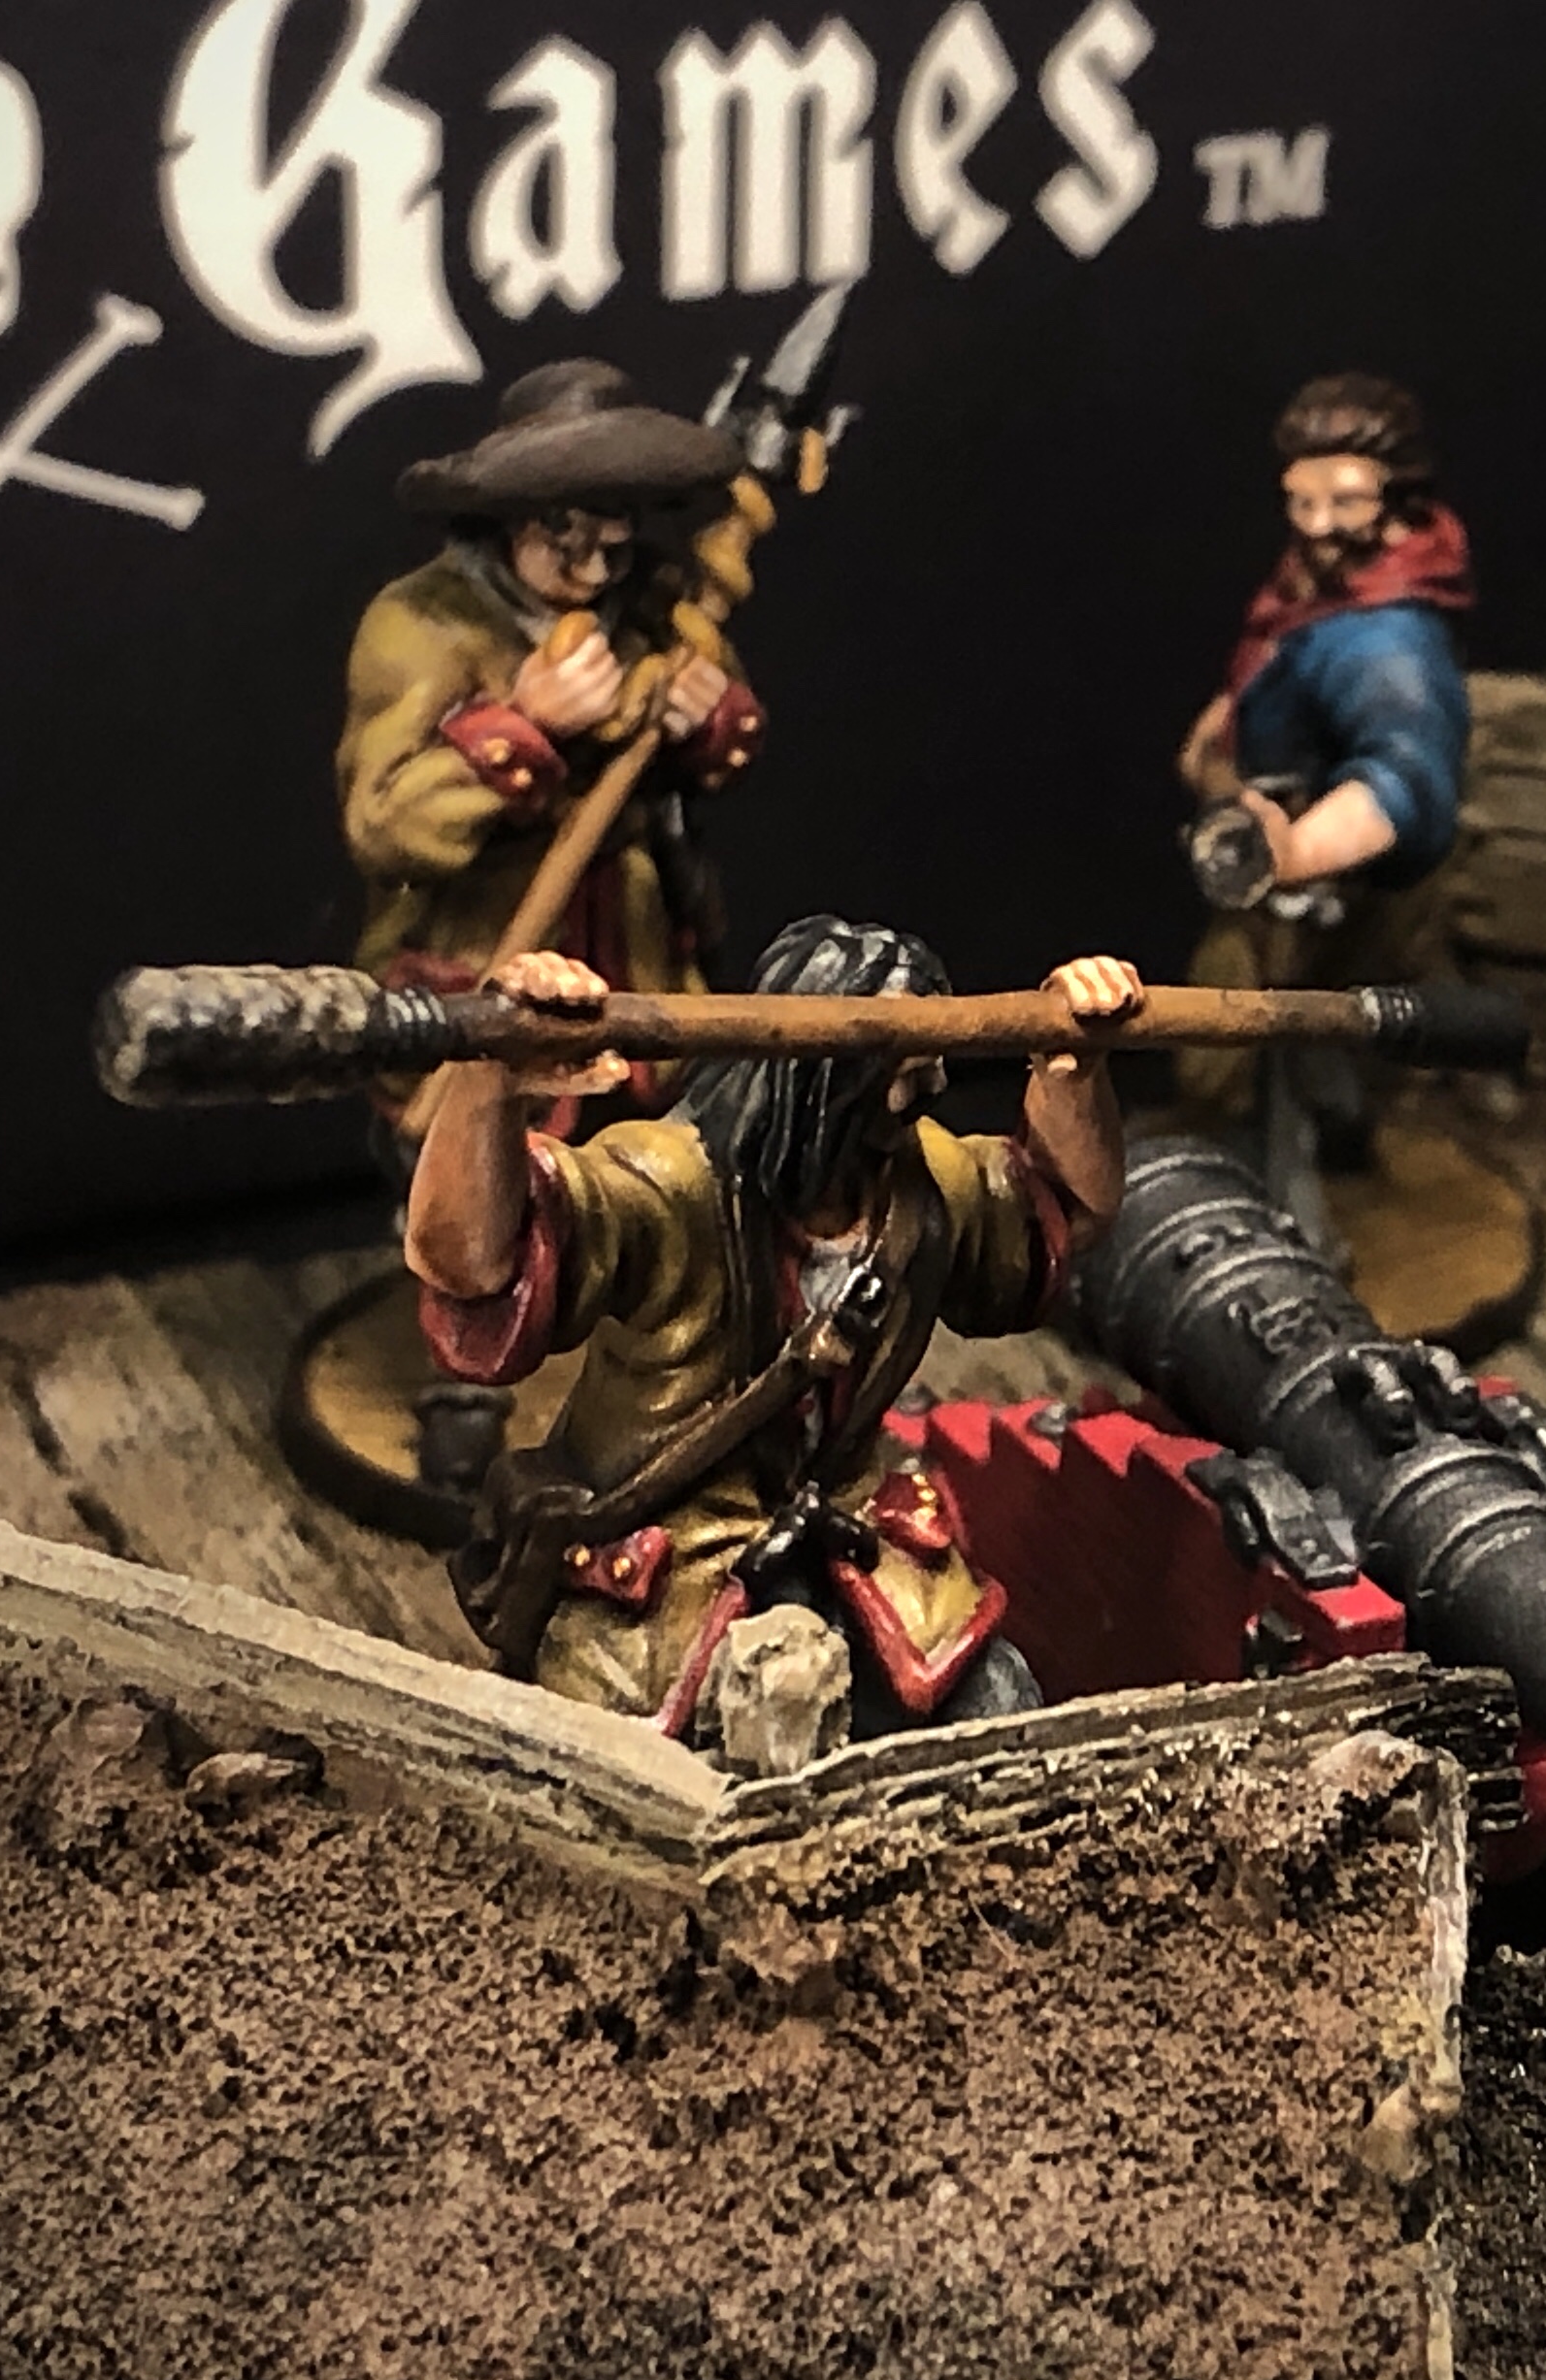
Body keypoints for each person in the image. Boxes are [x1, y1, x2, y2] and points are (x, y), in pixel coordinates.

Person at [405, 919, 1142, 1739]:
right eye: (902, 1076)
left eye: (931, 1066)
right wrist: (491, 1078)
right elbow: (473, 1263)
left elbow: (1056, 1214)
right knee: (689, 1747)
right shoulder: (667, 1183)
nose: (930, 1088)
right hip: (673, 1560)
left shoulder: (923, 1186)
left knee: (993, 1697)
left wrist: (1073, 1074)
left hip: (855, 1536)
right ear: (823, 1082)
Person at [337, 358, 769, 1133]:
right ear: (515, 521)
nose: (596, 570)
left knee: (652, 1147)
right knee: (483, 1153)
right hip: (484, 949)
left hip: (634, 954)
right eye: (570, 543)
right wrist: (524, 725)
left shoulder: (653, 602)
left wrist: (705, 719)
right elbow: (385, 825)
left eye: (615, 543)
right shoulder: (421, 625)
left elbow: (722, 731)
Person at [1171, 373, 1473, 1246]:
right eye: (1301, 500)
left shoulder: (1386, 640)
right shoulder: (1329, 587)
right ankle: (1332, 1143)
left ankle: (1292, 1244)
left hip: (1322, 884)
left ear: (1397, 502)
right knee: (1315, 1063)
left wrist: (1290, 855)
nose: (1315, 523)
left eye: (1344, 501)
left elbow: (1406, 780)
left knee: (1233, 1064)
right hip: (1292, 849)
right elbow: (1282, 655)